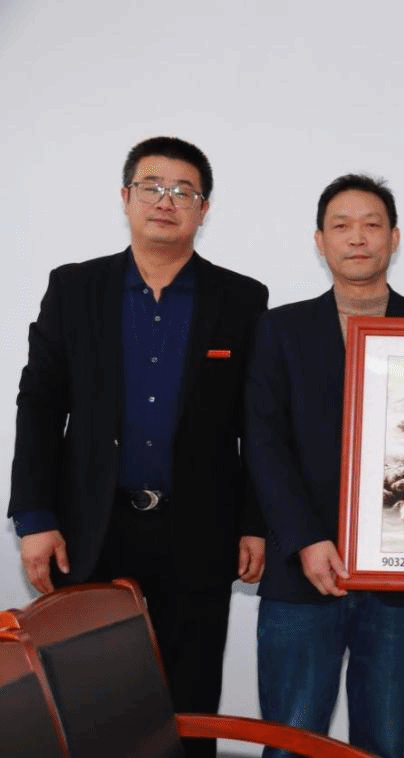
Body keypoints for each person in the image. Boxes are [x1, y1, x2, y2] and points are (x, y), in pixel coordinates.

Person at [8, 136, 268, 758]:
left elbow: (256, 422)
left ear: (204, 209)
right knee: (91, 703)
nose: (166, 201)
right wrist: (35, 518)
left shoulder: (241, 299)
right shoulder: (75, 288)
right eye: (152, 186)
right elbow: (39, 404)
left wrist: (254, 523)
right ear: (126, 197)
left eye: (184, 191)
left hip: (198, 530)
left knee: (190, 704)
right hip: (92, 528)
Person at [246, 174, 404, 758]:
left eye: (371, 225)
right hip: (302, 569)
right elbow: (263, 443)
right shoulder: (280, 329)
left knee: (382, 743)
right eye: (341, 226)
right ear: (320, 240)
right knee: (289, 744)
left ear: (394, 238)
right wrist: (304, 539)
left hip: (402, 580)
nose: (357, 237)